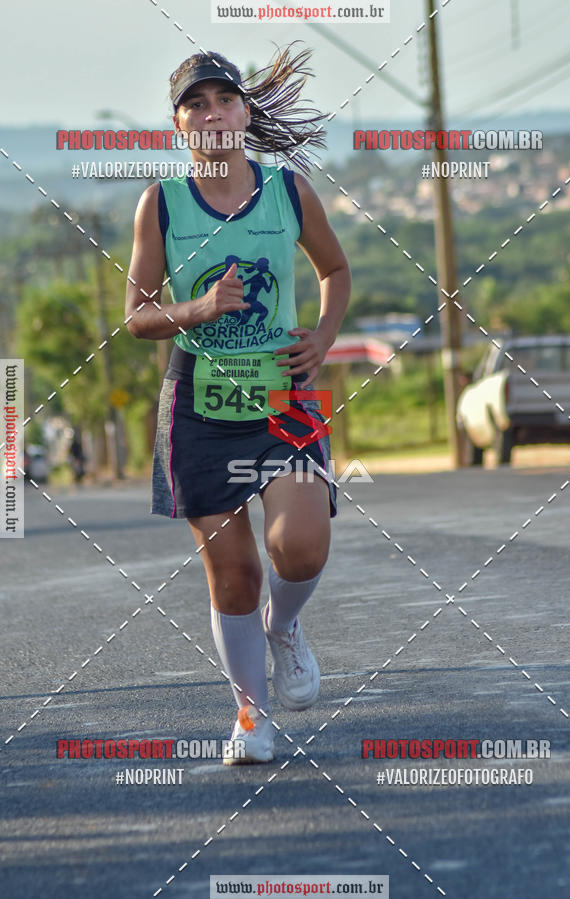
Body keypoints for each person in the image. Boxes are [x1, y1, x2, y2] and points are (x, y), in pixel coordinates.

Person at [125, 45, 351, 764]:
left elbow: (335, 269)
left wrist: (322, 336)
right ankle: (252, 718)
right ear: (179, 124)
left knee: (300, 545)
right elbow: (137, 316)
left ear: (245, 114)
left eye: (225, 99)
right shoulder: (161, 203)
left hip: (284, 395)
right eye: (196, 104)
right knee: (235, 575)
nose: (213, 113)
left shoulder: (289, 191)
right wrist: (196, 308)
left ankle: (284, 628)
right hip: (200, 404)